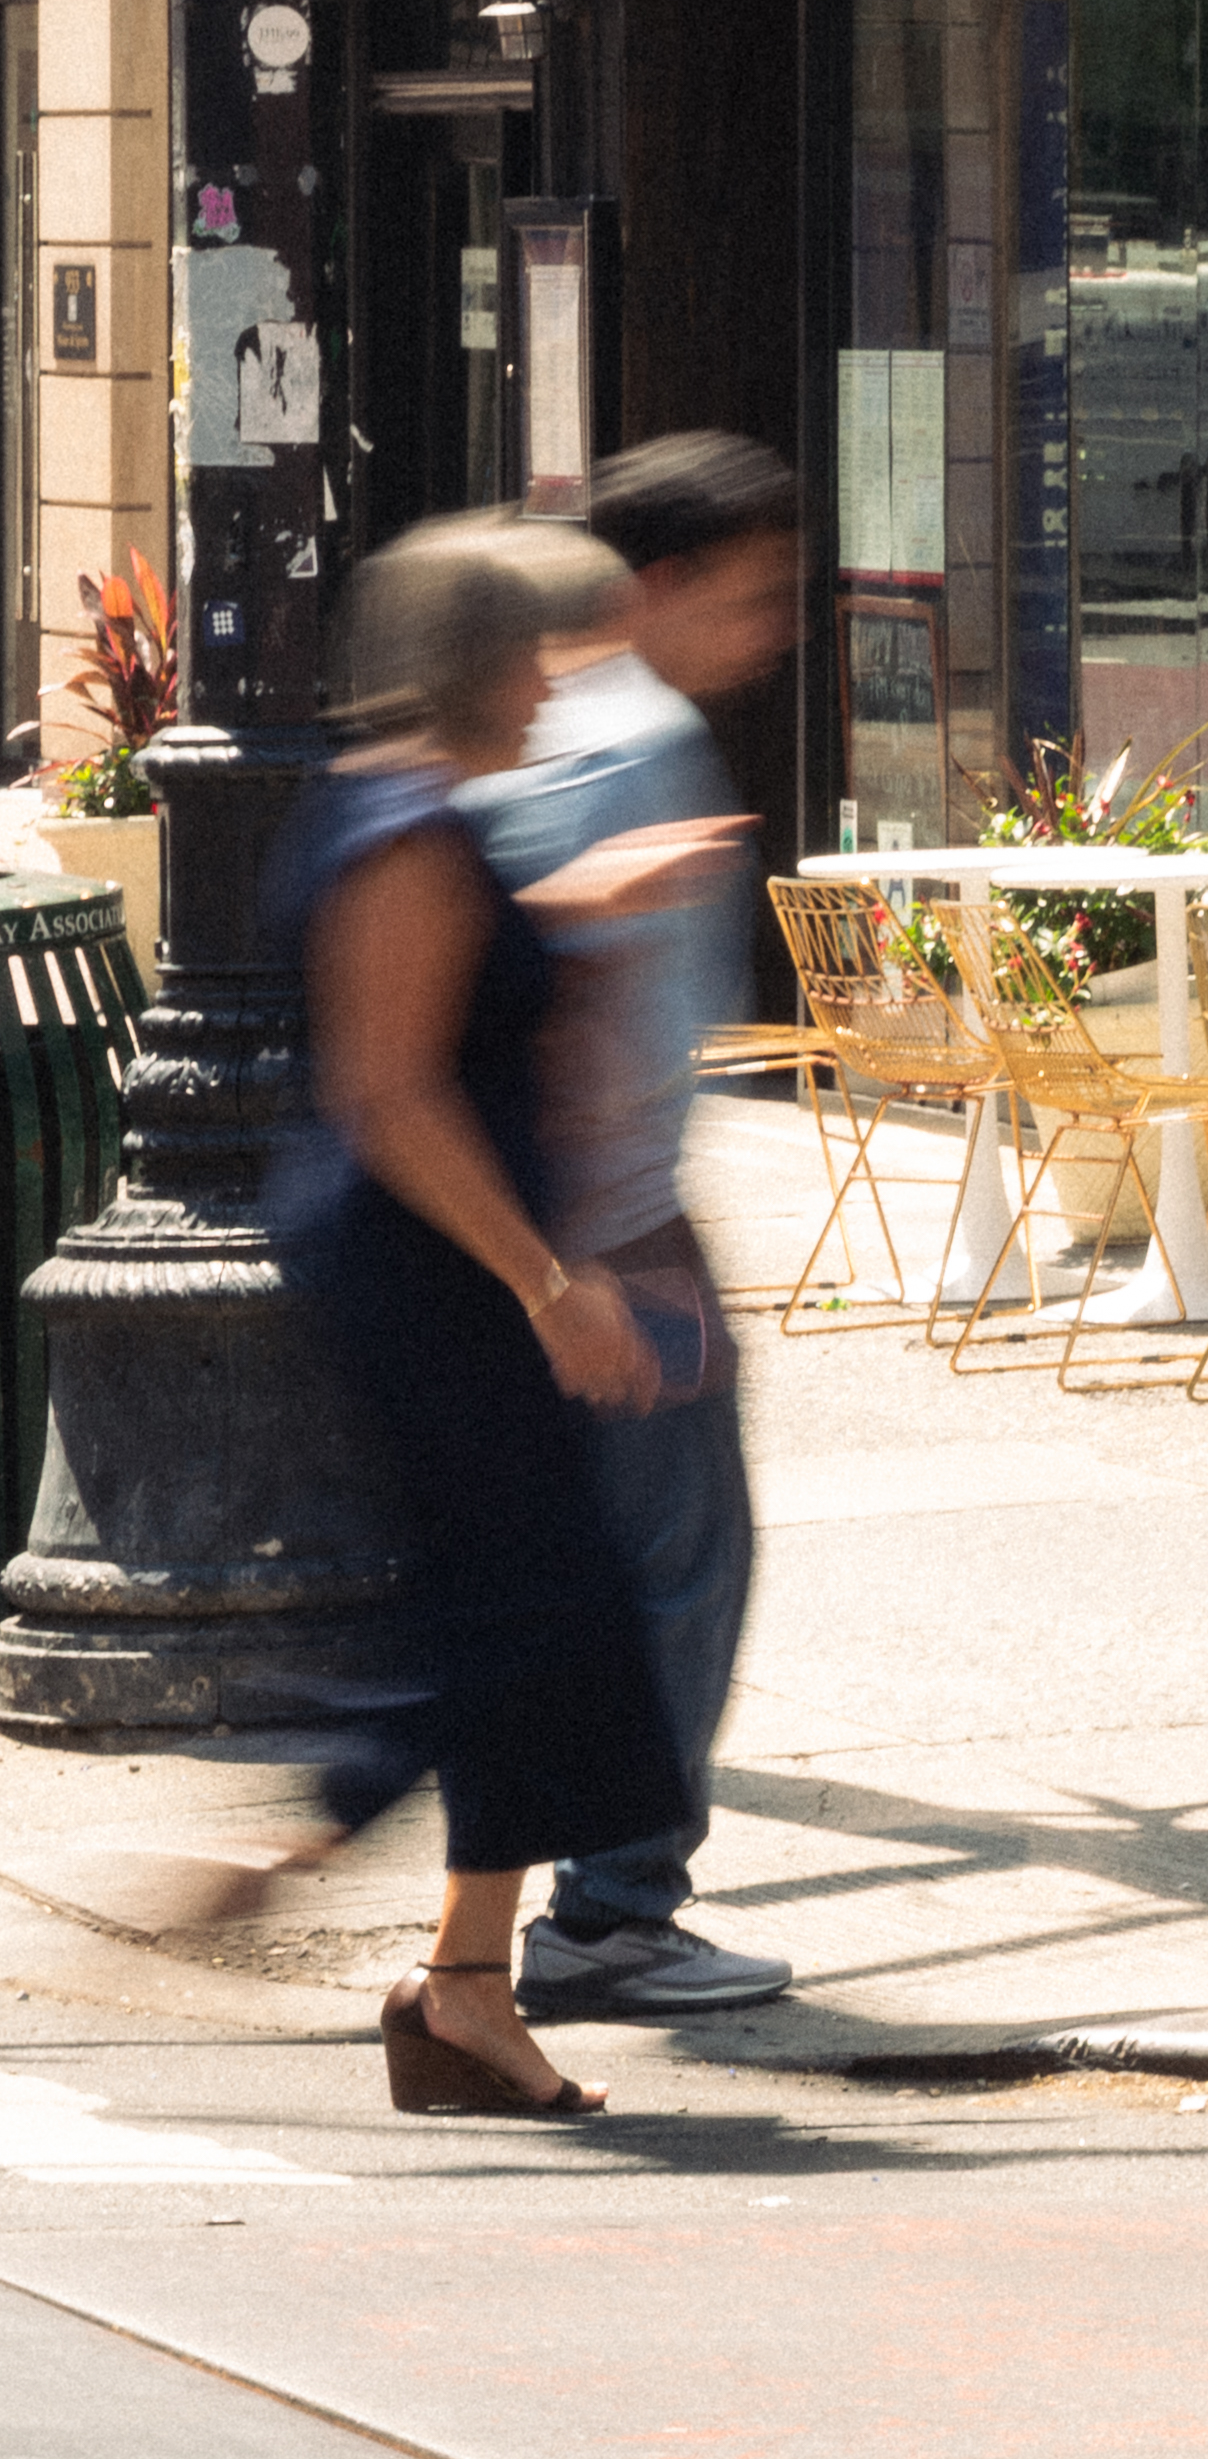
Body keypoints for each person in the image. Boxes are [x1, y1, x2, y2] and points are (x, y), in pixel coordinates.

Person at [155, 524, 749, 2117]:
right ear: (477, 665)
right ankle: (296, 1848)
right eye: (532, 665)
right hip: (430, 1269)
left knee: (541, 1606)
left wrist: (602, 895)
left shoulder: (407, 812)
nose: (550, 695)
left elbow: (472, 972)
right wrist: (549, 1284)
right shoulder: (409, 830)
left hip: (447, 1259)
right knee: (517, 1605)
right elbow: (395, 1090)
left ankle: (463, 1987)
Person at [475, 435, 807, 2021]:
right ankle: (612, 1907)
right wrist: (610, 1242)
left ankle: (561, 1907)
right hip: (603, 1226)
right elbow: (519, 978)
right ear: (661, 584)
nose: (773, 632)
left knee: (610, 1560)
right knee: (677, 1560)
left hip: (588, 1216)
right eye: (753, 596)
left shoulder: (571, 716)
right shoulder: (632, 739)